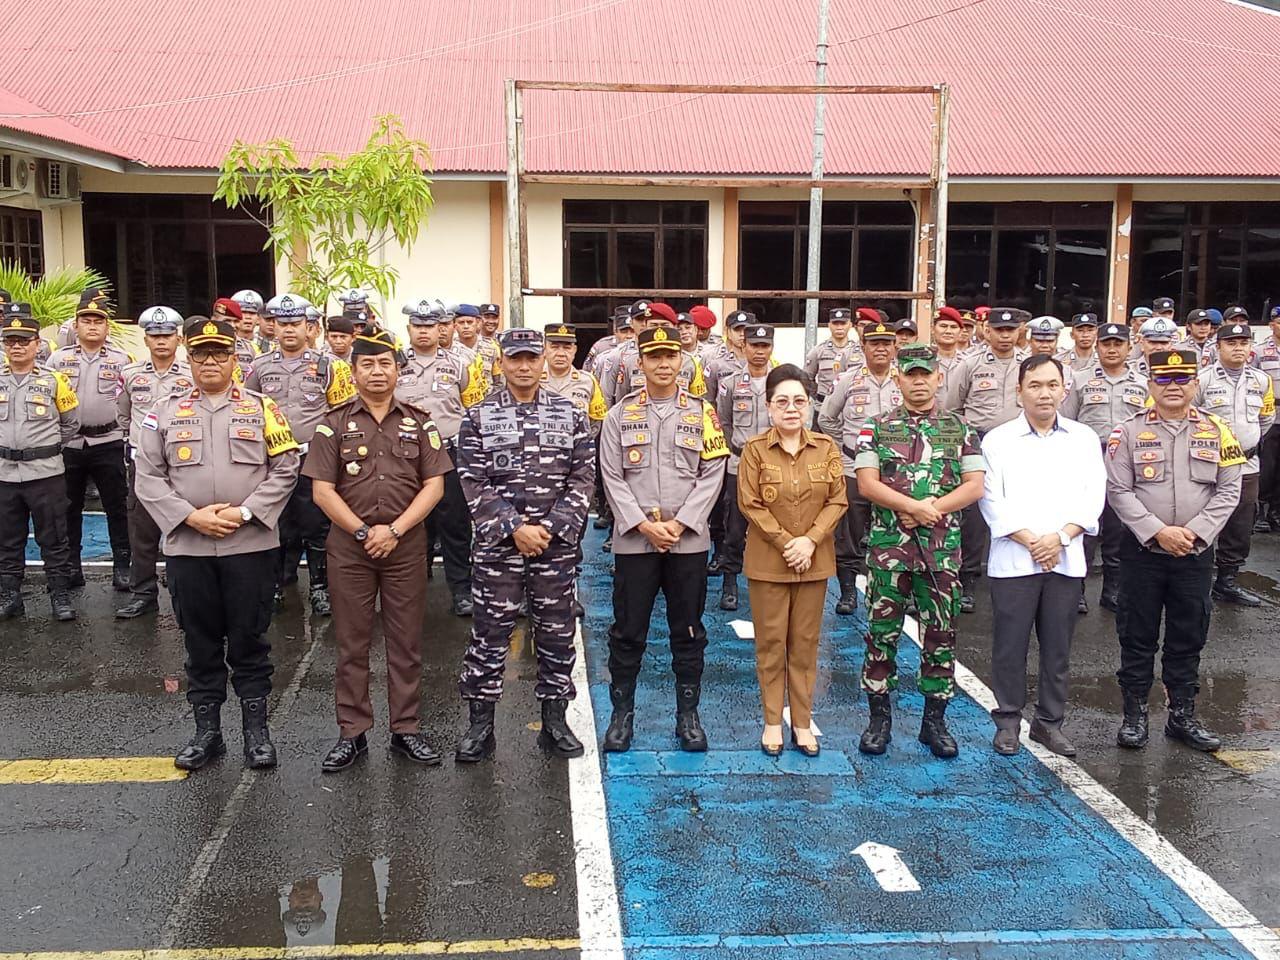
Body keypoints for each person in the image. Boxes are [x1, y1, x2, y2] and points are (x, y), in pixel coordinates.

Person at [135, 317, 302, 771]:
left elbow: (286, 467)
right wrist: (189, 516)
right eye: (202, 354)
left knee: (250, 640)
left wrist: (244, 512)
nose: (210, 361)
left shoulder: (263, 407)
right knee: (200, 642)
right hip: (188, 547)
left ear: (234, 358)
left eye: (220, 353)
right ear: (189, 358)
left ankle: (256, 735)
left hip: (249, 545)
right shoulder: (163, 411)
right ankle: (207, 734)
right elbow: (147, 476)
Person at [305, 329, 454, 771]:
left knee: (405, 642)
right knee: (351, 642)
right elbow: (322, 491)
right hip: (350, 548)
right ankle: (352, 733)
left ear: (397, 370)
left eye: (384, 364)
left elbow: (435, 485)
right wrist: (362, 533)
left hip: (405, 546)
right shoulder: (331, 423)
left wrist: (394, 529)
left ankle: (405, 728)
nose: (376, 372)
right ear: (352, 372)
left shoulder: (419, 421)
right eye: (367, 364)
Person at [454, 328, 595, 762]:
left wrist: (550, 528)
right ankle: (481, 725)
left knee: (556, 634)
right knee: (489, 634)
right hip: (499, 548)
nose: (524, 366)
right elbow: (472, 481)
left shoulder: (571, 414)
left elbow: (584, 477)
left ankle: (555, 719)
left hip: (555, 548)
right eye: (515, 358)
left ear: (543, 359)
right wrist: (515, 527)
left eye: (531, 357)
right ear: (501, 361)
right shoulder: (477, 417)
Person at [1106, 349, 1245, 753]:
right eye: (1164, 380)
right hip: (1143, 552)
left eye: (1182, 379)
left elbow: (1229, 489)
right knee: (1136, 635)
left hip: (1194, 554)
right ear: (1150, 385)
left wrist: (1196, 533)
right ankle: (1134, 717)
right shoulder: (1127, 432)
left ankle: (1181, 716)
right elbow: (1118, 490)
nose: (1173, 387)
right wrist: (1157, 532)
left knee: (1188, 635)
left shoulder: (1218, 430)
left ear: (1195, 384)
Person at [597, 327, 728, 752]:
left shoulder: (703, 413)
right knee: (628, 630)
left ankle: (688, 716)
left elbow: (713, 473)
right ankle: (622, 716)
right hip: (635, 542)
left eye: (670, 355)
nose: (663, 364)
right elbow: (611, 476)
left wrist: (683, 522)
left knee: (688, 630)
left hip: (687, 542)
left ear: (682, 360)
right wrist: (642, 524)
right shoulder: (620, 413)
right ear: (640, 362)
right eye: (654, 356)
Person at [854, 344, 986, 758]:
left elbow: (974, 486)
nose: (918, 381)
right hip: (890, 552)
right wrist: (911, 507)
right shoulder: (875, 427)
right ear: (898, 378)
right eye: (910, 374)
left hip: (940, 554)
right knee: (881, 636)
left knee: (941, 636)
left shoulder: (960, 429)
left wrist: (931, 511)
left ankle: (935, 722)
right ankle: (879, 720)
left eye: (925, 374)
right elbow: (866, 483)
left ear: (938, 377)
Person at [978, 355, 1105, 757]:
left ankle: (1049, 723)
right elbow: (990, 500)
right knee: (1010, 646)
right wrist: (1033, 540)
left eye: (1052, 384)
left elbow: (1093, 496)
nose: (1044, 393)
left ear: (1065, 389)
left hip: (1065, 560)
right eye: (1035, 385)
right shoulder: (997, 440)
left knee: (1057, 647)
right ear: (1019, 391)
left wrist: (1061, 538)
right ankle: (1009, 721)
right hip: (1014, 560)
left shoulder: (1083, 438)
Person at [736, 364, 846, 757]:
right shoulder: (754, 451)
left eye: (799, 400)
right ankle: (771, 722)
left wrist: (811, 541)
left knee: (804, 645)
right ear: (768, 407)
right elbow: (749, 504)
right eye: (782, 401)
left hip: (814, 561)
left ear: (810, 406)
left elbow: (837, 499)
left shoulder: (827, 448)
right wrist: (789, 542)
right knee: (770, 644)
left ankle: (801, 722)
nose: (791, 408)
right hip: (770, 562)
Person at [245, 293, 356, 614]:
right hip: (274, 458)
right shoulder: (259, 366)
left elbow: (343, 413)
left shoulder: (330, 366)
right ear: (274, 327)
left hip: (315, 457)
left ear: (309, 327)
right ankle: (277, 585)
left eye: (295, 324)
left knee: (318, 524)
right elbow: (248, 409)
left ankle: (321, 587)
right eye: (283, 324)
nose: (289, 330)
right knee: (276, 521)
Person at [395, 299, 485, 616]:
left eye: (429, 326)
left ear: (440, 329)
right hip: (405, 457)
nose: (423, 332)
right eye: (417, 326)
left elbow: (474, 408)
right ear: (409, 329)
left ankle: (461, 589)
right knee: (411, 524)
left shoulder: (460, 364)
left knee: (455, 524)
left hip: (448, 452)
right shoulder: (394, 363)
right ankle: (411, 588)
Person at [942, 306, 1029, 613]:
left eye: (1010, 330)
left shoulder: (1029, 365)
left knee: (1018, 507)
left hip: (1020, 445)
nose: (1005, 335)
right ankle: (967, 578)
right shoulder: (970, 363)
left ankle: (1019, 576)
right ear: (987, 331)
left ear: (1019, 331)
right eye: (999, 330)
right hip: (979, 442)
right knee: (974, 517)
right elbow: (951, 407)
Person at [1059, 322, 1148, 612]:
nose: (1112, 349)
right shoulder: (1081, 380)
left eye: (1118, 344)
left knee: (1118, 529)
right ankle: (1078, 590)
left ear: (1129, 347)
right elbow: (1067, 423)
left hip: (1127, 461)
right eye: (1106, 343)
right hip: (1090, 458)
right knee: (1085, 527)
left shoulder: (1142, 383)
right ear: (1097, 346)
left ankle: (1113, 589)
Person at [48, 287, 132, 590]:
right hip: (70, 444)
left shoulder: (123, 359)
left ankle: (123, 564)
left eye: (98, 320)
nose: (92, 325)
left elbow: (129, 400)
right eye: (86, 320)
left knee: (116, 506)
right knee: (68, 508)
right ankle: (72, 565)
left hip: (108, 441)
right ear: (76, 324)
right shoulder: (57, 360)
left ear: (107, 326)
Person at [0, 303, 80, 621]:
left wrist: (43, 448)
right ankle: (10, 596)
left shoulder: (54, 380)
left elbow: (70, 423)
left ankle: (59, 597)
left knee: (54, 538)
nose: (17, 346)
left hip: (45, 473)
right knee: (7, 539)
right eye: (10, 341)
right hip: (5, 474)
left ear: (37, 344)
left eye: (23, 340)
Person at [114, 306, 193, 619]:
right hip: (144, 464)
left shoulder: (190, 375)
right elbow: (123, 414)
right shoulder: (132, 375)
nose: (161, 341)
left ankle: (182, 592)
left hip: (182, 463)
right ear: (145, 339)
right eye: (154, 335)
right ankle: (143, 593)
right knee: (142, 532)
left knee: (183, 529)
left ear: (179, 338)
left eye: (167, 335)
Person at [819, 320, 901, 615]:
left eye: (886, 344)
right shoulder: (849, 380)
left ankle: (893, 591)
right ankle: (848, 592)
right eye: (874, 344)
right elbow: (827, 418)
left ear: (894, 347)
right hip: (853, 468)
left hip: (894, 473)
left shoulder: (904, 379)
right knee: (849, 534)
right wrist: (847, 447)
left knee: (894, 532)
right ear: (863, 347)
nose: (881, 349)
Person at [1196, 319, 1274, 606]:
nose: (1238, 348)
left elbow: (1265, 419)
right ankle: (1198, 578)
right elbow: (1191, 418)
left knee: (1241, 523)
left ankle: (1227, 580)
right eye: (1231, 343)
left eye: (1244, 343)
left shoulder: (1261, 380)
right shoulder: (1203, 379)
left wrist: (1246, 443)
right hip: (1210, 464)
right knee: (1206, 519)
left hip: (1246, 464)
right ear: (1218, 347)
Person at [715, 323, 776, 612]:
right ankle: (730, 583)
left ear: (771, 348)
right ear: (744, 346)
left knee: (773, 526)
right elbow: (723, 422)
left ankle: (771, 584)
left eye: (765, 346)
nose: (759, 351)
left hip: (773, 464)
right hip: (738, 464)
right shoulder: (729, 382)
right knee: (734, 527)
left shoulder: (780, 382)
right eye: (754, 345)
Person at [803, 307, 863, 416]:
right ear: (829, 325)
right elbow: (806, 378)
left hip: (850, 408)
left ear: (850, 325)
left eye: (843, 324)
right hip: (823, 408)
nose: (839, 328)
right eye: (835, 324)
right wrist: (818, 394)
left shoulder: (859, 352)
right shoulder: (819, 351)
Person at [1253, 306, 1280, 533]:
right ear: (1271, 324)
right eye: (1279, 321)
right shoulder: (1260, 351)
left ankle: (1276, 512)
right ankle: (1260, 511)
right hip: (1270, 415)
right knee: (1267, 466)